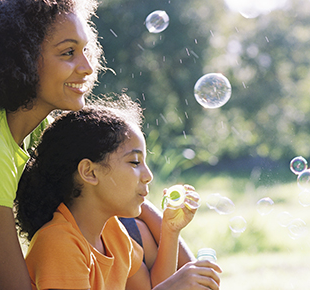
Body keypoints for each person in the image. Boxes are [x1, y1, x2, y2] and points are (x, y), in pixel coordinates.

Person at [0, 0, 194, 289]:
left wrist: (159, 216)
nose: (87, 68)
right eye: (68, 52)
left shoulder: (32, 133)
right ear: (18, 58)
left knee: (132, 226)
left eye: (85, 51)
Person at [15, 95, 222, 290]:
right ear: (89, 172)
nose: (148, 175)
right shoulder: (58, 243)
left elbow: (152, 285)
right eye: (134, 162)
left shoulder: (112, 233)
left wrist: (170, 230)